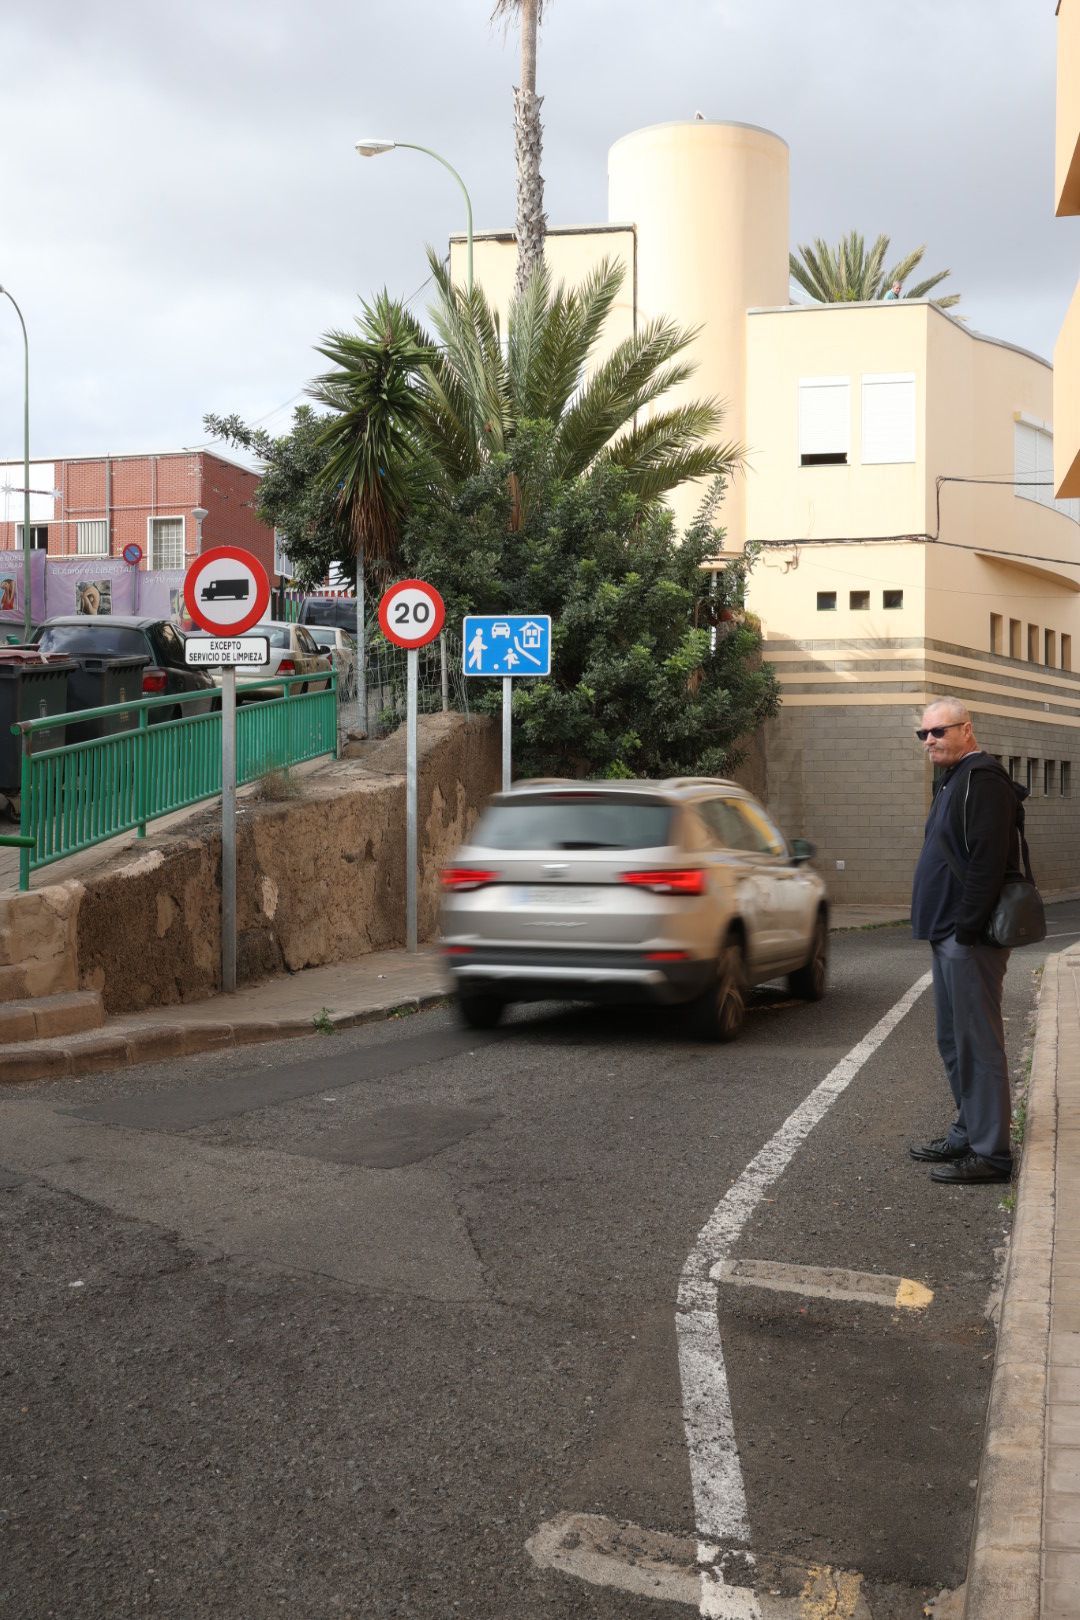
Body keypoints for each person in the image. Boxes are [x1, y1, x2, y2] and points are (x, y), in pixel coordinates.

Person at [909, 698, 1021, 1185]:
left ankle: (991, 1153)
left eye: (939, 731)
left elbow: (988, 861)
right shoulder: (954, 779)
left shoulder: (984, 780)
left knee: (978, 1045)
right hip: (948, 933)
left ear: (967, 730)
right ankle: (967, 1128)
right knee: (953, 1041)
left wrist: (968, 928)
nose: (930, 740)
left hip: (967, 938)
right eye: (924, 734)